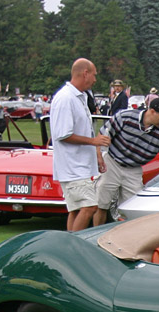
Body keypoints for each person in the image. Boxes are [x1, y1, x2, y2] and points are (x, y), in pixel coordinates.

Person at [93, 97, 159, 225]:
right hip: (112, 163)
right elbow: (102, 136)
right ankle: (94, 237)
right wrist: (99, 157)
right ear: (152, 111)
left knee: (133, 209)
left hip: (134, 170)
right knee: (101, 205)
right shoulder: (124, 117)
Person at [50, 58, 110, 232]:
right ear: (85, 73)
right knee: (90, 207)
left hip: (80, 165)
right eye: (94, 75)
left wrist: (96, 153)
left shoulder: (80, 97)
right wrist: (94, 142)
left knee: (77, 209)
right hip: (72, 166)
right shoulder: (65, 98)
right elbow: (63, 134)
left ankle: (69, 246)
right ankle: (73, 245)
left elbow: (86, 130)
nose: (95, 79)